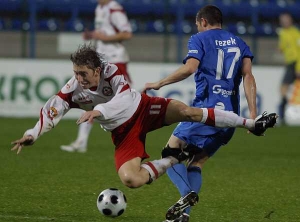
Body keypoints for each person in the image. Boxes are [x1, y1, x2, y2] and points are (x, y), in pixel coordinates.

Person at [11, 44, 277, 191]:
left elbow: (125, 99)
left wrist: (99, 111)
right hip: (122, 133)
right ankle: (174, 158)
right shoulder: (74, 89)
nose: (79, 78)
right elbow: (52, 108)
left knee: (188, 112)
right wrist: (34, 133)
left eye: (83, 73)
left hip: (143, 109)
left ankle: (251, 123)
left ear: (97, 69)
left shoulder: (112, 71)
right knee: (131, 180)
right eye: (76, 73)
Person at [143, 5, 276, 222]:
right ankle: (184, 216)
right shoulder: (240, 43)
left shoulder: (199, 39)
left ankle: (186, 193)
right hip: (230, 119)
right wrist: (252, 118)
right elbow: (248, 77)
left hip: (205, 113)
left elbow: (190, 68)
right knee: (196, 163)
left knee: (170, 153)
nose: (197, 28)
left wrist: (159, 82)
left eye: (197, 24)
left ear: (203, 22)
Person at [60, 0, 133, 153]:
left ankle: (132, 136)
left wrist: (104, 38)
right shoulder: (100, 8)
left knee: (123, 99)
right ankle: (81, 141)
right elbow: (104, 33)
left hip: (115, 60)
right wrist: (93, 35)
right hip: (103, 58)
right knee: (88, 96)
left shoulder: (114, 9)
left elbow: (127, 33)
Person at [278, 12, 300, 125]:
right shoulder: (282, 33)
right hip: (290, 63)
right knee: (284, 89)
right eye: (282, 20)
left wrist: (298, 67)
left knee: (284, 88)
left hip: (295, 64)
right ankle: (283, 114)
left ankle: (282, 113)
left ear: (290, 20)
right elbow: (283, 48)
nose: (284, 22)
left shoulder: (295, 33)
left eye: (286, 19)